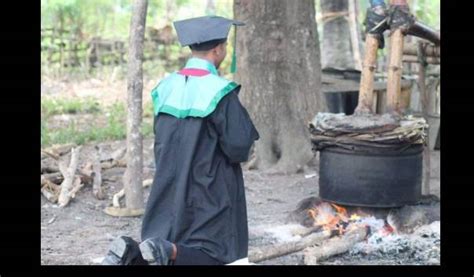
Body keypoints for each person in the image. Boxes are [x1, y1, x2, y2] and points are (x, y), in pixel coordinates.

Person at [102, 15, 259, 266]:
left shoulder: (166, 87)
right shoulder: (219, 91)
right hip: (208, 187)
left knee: (162, 239)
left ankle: (130, 253)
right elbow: (239, 146)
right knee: (215, 250)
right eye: (225, 47)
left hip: (167, 184)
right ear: (218, 49)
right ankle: (166, 250)